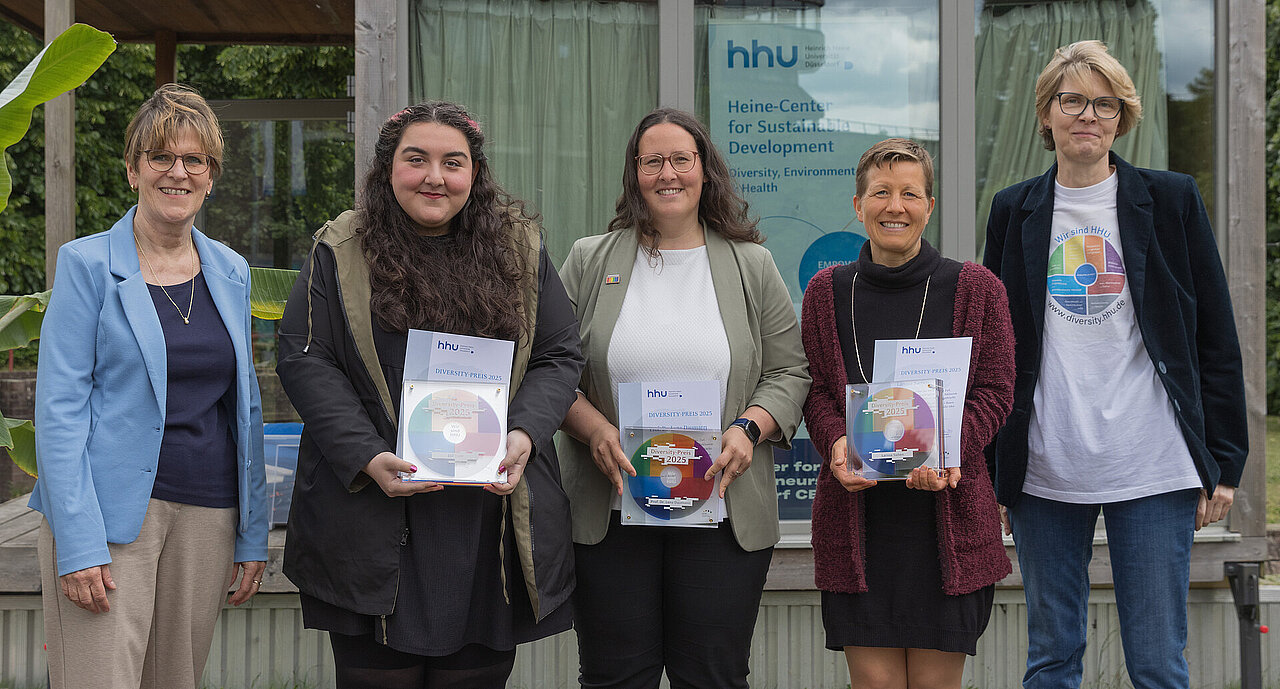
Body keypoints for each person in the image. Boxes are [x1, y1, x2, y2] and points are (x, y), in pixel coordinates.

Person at [275, 100, 584, 689]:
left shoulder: (519, 248)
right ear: (387, 168)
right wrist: (367, 456)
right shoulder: (340, 248)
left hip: (484, 522)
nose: (435, 177)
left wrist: (522, 433)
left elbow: (558, 354)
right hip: (373, 509)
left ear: (476, 173)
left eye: (453, 162)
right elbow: (306, 358)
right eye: (416, 159)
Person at [983, 40, 1247, 689]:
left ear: (1122, 116)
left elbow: (1214, 336)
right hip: (1046, 467)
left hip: (1152, 464)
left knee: (1158, 661)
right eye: (1071, 100)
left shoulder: (1172, 199)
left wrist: (1225, 461)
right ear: (1046, 113)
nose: (1087, 115)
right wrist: (994, 467)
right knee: (1052, 656)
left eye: (1104, 103)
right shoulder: (1013, 209)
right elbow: (994, 347)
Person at [558, 108, 810, 689]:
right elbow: (552, 373)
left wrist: (749, 428)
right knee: (615, 676)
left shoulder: (752, 264)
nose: (667, 173)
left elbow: (790, 371)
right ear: (635, 174)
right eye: (653, 161)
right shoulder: (588, 260)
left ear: (704, 171)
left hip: (721, 506)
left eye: (681, 159)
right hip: (613, 506)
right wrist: (595, 429)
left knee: (712, 677)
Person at [30, 83, 267, 689]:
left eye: (195, 160)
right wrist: (78, 543)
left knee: (177, 681)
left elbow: (244, 408)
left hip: (208, 515)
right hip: (107, 519)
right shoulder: (85, 265)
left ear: (211, 176)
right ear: (134, 169)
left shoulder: (231, 270)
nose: (177, 172)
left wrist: (252, 532)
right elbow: (59, 413)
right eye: (161, 157)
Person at [800, 138, 1014, 689]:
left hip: (944, 518)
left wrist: (945, 449)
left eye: (910, 194)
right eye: (881, 193)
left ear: (930, 206)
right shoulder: (826, 292)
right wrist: (835, 444)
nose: (895, 206)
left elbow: (995, 390)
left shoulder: (976, 289)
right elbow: (817, 391)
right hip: (861, 522)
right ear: (858, 205)